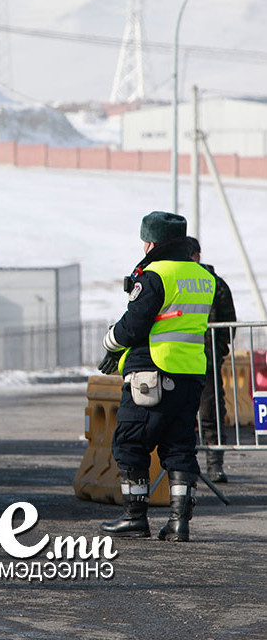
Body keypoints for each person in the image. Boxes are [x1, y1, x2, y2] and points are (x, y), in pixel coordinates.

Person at [97, 211, 214, 542]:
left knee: (131, 441)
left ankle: (135, 517)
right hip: (190, 372)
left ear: (152, 242)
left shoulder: (155, 274)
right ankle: (179, 523)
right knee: (179, 446)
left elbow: (134, 325)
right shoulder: (203, 276)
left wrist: (109, 343)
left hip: (152, 372)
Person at [186, 236, 237, 483]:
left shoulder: (215, 285)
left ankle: (214, 464)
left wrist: (218, 350)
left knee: (211, 414)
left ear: (196, 256)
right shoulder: (177, 282)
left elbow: (229, 324)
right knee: (178, 416)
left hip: (206, 361)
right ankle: (181, 467)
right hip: (177, 362)